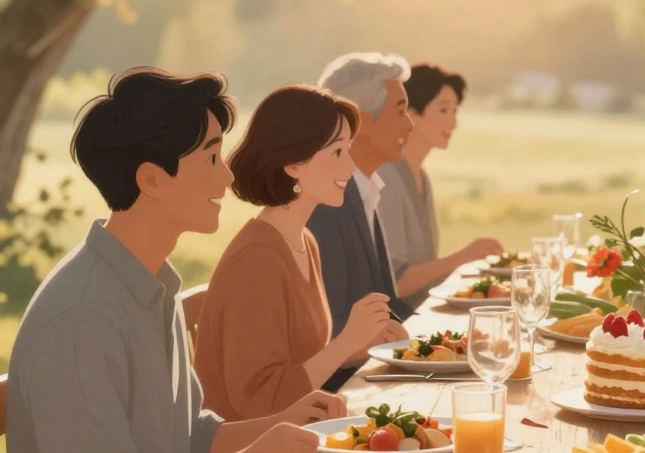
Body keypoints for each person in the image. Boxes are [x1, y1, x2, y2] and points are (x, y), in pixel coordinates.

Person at [6, 68, 343, 453]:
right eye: (210, 157)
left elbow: (186, 438)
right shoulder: (80, 318)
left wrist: (283, 421)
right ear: (151, 179)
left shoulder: (147, 286)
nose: (228, 176)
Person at [195, 85, 407, 420]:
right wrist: (346, 340)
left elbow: (301, 366)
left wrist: (359, 344)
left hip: (290, 437)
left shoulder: (303, 240)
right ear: (293, 164)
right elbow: (262, 401)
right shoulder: (257, 261)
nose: (350, 167)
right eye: (338, 153)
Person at [307, 52, 416, 391]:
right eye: (400, 110)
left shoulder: (364, 190)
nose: (410, 124)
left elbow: (390, 306)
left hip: (371, 379)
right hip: (342, 395)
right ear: (361, 121)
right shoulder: (325, 207)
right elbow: (328, 331)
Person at [377, 63, 503, 309]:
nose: (453, 123)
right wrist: (464, 256)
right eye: (443, 110)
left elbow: (426, 272)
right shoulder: (386, 177)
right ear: (410, 113)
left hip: (423, 313)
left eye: (455, 111)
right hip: (396, 327)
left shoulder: (421, 176)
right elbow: (395, 283)